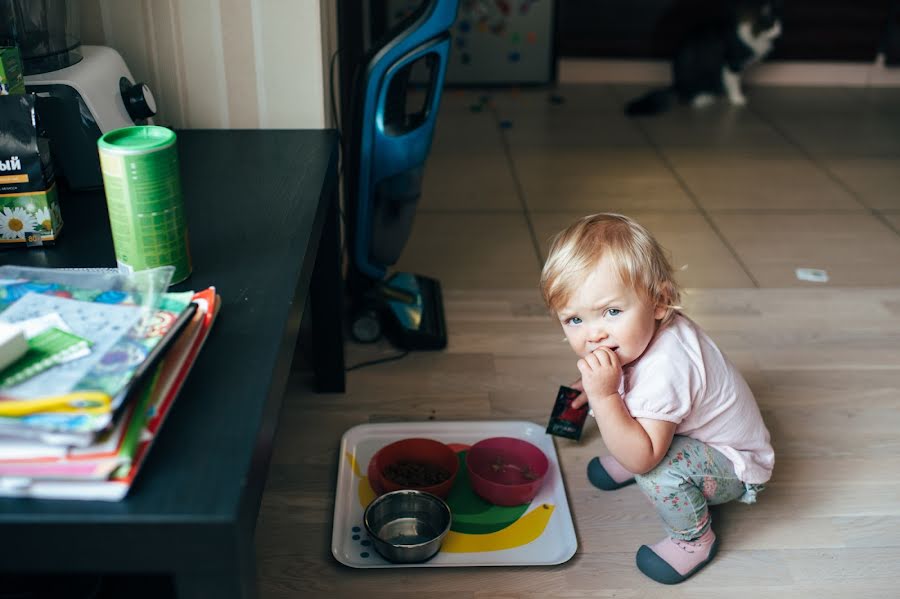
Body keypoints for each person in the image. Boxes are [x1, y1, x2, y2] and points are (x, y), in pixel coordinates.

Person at [540, 213, 774, 584]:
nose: (594, 335)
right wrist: (596, 388)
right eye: (574, 320)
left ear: (660, 301)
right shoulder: (639, 335)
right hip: (683, 429)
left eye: (612, 312)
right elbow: (627, 384)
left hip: (734, 465)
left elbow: (643, 456)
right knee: (620, 412)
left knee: (656, 470)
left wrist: (603, 395)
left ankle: (694, 540)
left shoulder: (666, 371)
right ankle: (633, 437)